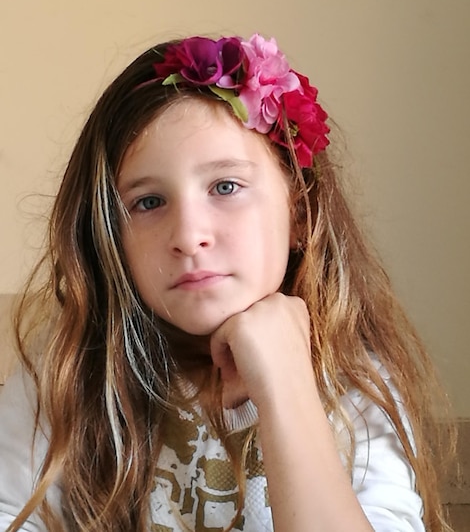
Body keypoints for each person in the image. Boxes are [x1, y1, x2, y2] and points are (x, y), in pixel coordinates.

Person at [0, 33, 453, 532]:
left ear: (299, 210)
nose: (189, 237)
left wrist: (286, 386)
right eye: (148, 202)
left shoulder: (355, 386)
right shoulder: (64, 369)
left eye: (226, 187)